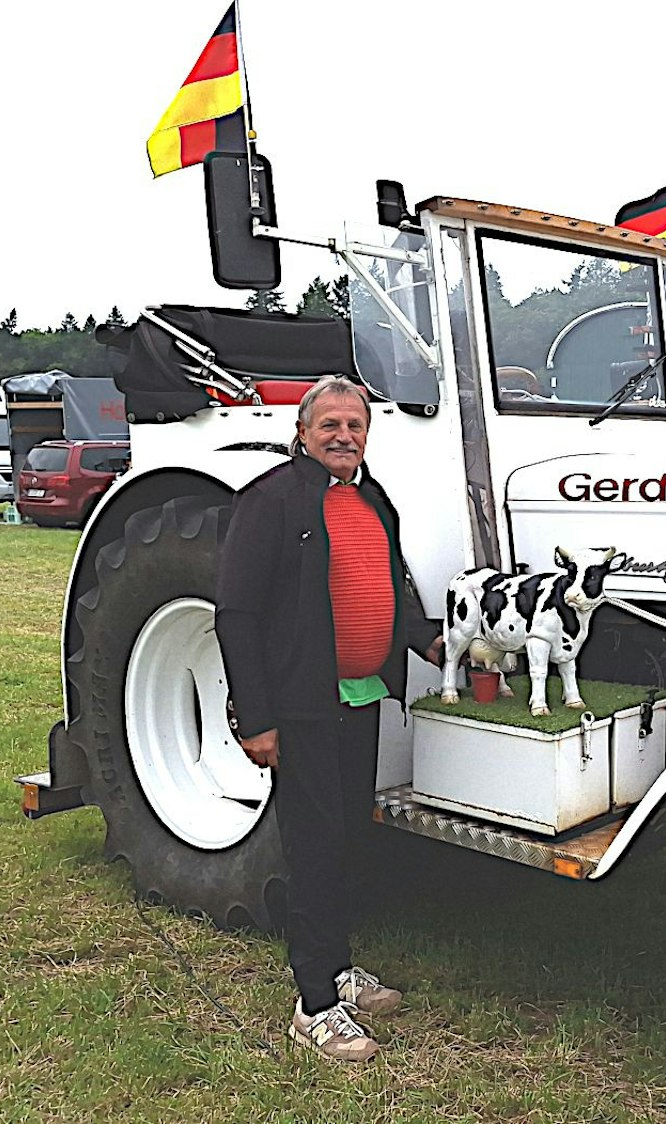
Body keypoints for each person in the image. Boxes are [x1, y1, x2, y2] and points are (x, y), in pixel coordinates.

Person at [214, 376, 443, 1063]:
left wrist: (431, 642)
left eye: (356, 424)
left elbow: (390, 590)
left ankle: (339, 966)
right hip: (302, 706)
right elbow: (237, 613)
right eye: (331, 424)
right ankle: (314, 1005)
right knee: (313, 847)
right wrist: (256, 718)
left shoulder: (371, 500)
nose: (344, 435)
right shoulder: (271, 501)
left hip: (361, 698)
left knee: (345, 840)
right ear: (304, 432)